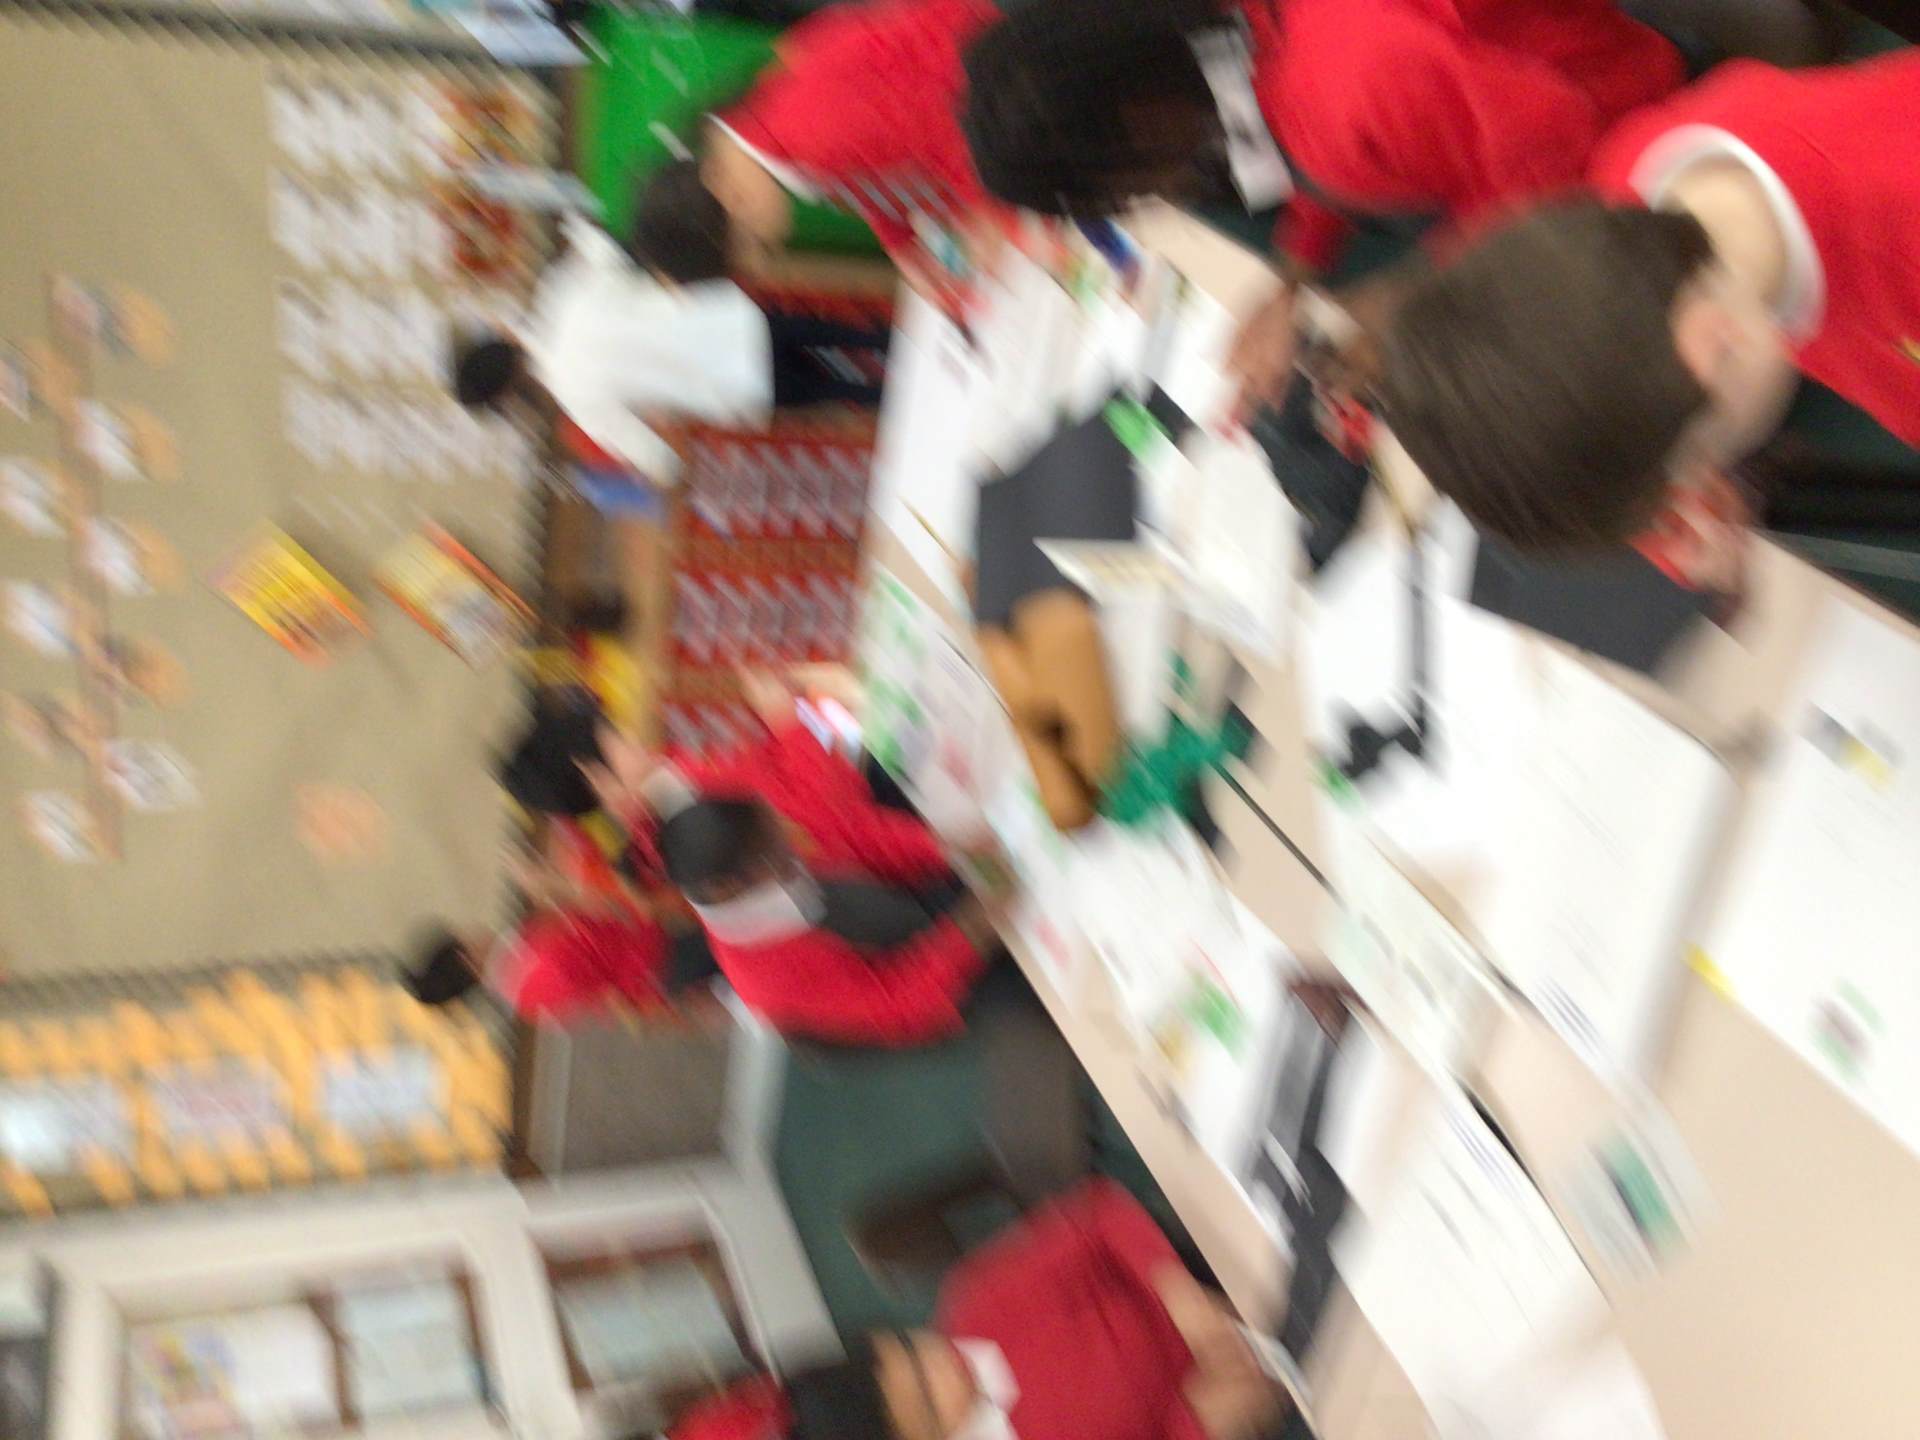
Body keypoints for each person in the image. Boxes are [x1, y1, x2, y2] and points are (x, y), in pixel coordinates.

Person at [956, 0, 1688, 414]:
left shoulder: (1340, 96)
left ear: (1141, 123)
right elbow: (1362, 147)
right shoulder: (1251, 41)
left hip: (1650, 142)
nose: (1147, 204)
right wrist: (1293, 274)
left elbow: (1560, 147)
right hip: (1576, 93)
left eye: (1123, 193)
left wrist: (1412, 294)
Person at [1376, 51, 1920, 568]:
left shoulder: (1897, 224)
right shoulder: (1637, 189)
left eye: (1699, 458)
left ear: (1712, 346)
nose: (1703, 475)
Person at [671, 1181, 1286, 1440]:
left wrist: (1176, 1290)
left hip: (1219, 1278)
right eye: (929, 1404)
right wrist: (1198, 1425)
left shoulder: (975, 1300)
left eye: (913, 1352)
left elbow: (1097, 1216)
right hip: (1267, 1399)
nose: (945, 1368)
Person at [600, 671, 1009, 1047]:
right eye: (778, 849)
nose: (793, 835)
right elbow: (897, 1005)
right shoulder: (763, 975)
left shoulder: (754, 837)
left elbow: (851, 832)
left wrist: (943, 849)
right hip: (959, 972)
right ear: (737, 885)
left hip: (940, 897)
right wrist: (975, 924)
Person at [451, 163, 888, 485]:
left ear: (510, 394)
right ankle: (899, 342)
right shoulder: (559, 293)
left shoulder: (579, 402)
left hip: (738, 386)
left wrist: (664, 444)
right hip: (728, 320)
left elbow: (660, 461)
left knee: (847, 393)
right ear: (501, 335)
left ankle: (902, 394)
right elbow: (603, 243)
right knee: (841, 333)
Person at [696, 0, 1011, 298]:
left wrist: (988, 211)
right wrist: (901, 242)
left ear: (731, 196)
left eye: (761, 244)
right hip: (989, 76)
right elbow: (873, 154)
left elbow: (940, 127)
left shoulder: (811, 137)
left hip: (1000, 56)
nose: (778, 237)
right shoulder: (770, 132)